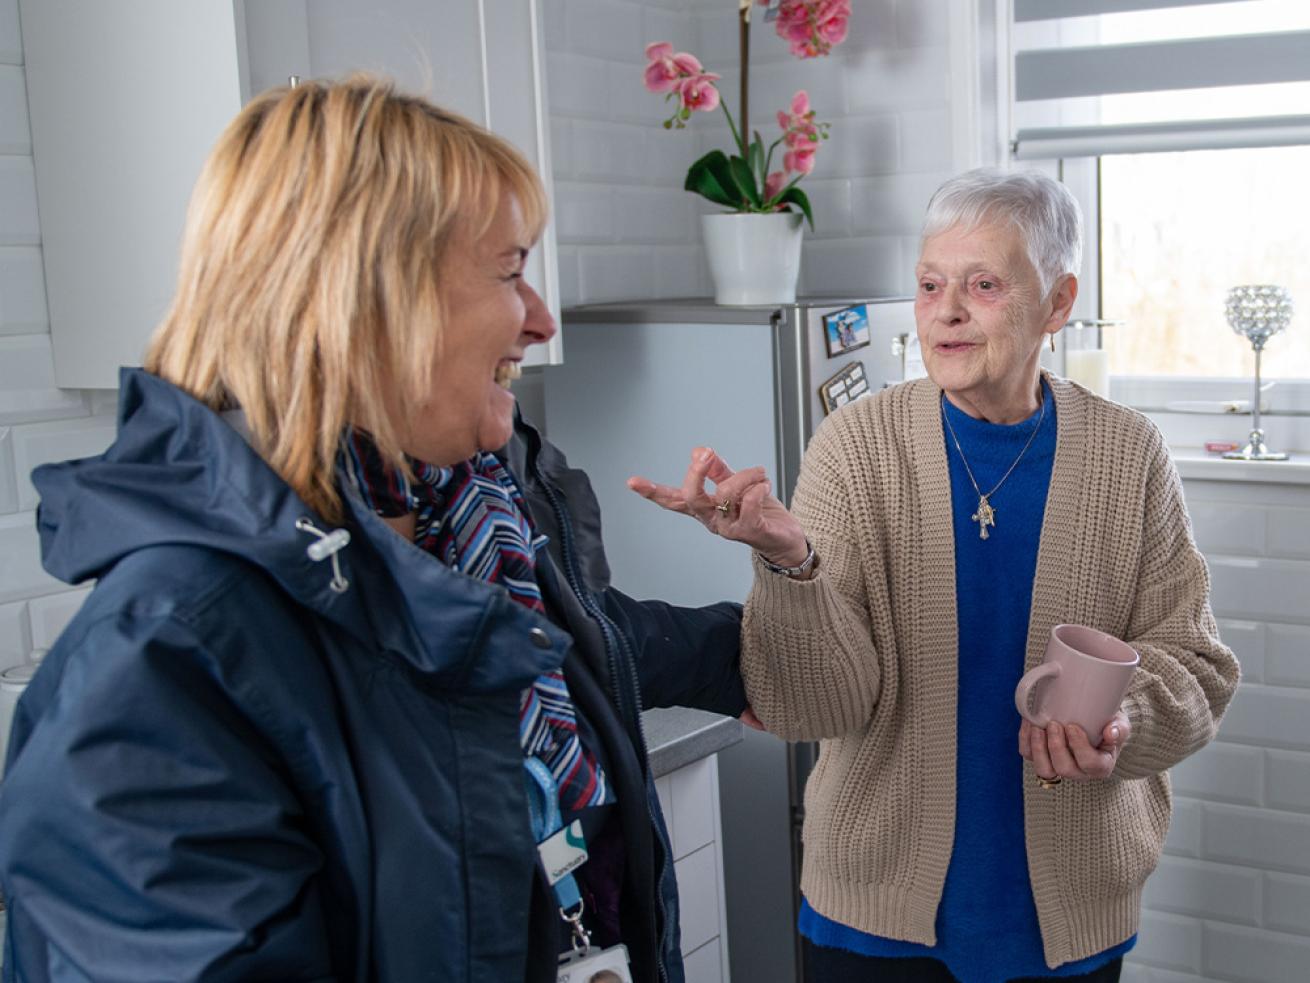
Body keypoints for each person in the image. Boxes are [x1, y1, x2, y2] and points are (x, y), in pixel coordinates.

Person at [0, 76, 747, 983]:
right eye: (511, 271)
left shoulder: (465, 521)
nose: (542, 319)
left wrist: (779, 622)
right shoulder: (158, 664)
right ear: (371, 303)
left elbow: (579, 643)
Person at [630, 168, 1240, 983]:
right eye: (928, 285)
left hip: (1068, 917)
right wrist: (789, 560)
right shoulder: (854, 444)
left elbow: (1197, 666)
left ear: (1058, 303)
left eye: (983, 284)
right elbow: (818, 705)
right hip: (871, 919)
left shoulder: (1128, 454)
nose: (946, 310)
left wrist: (1118, 720)